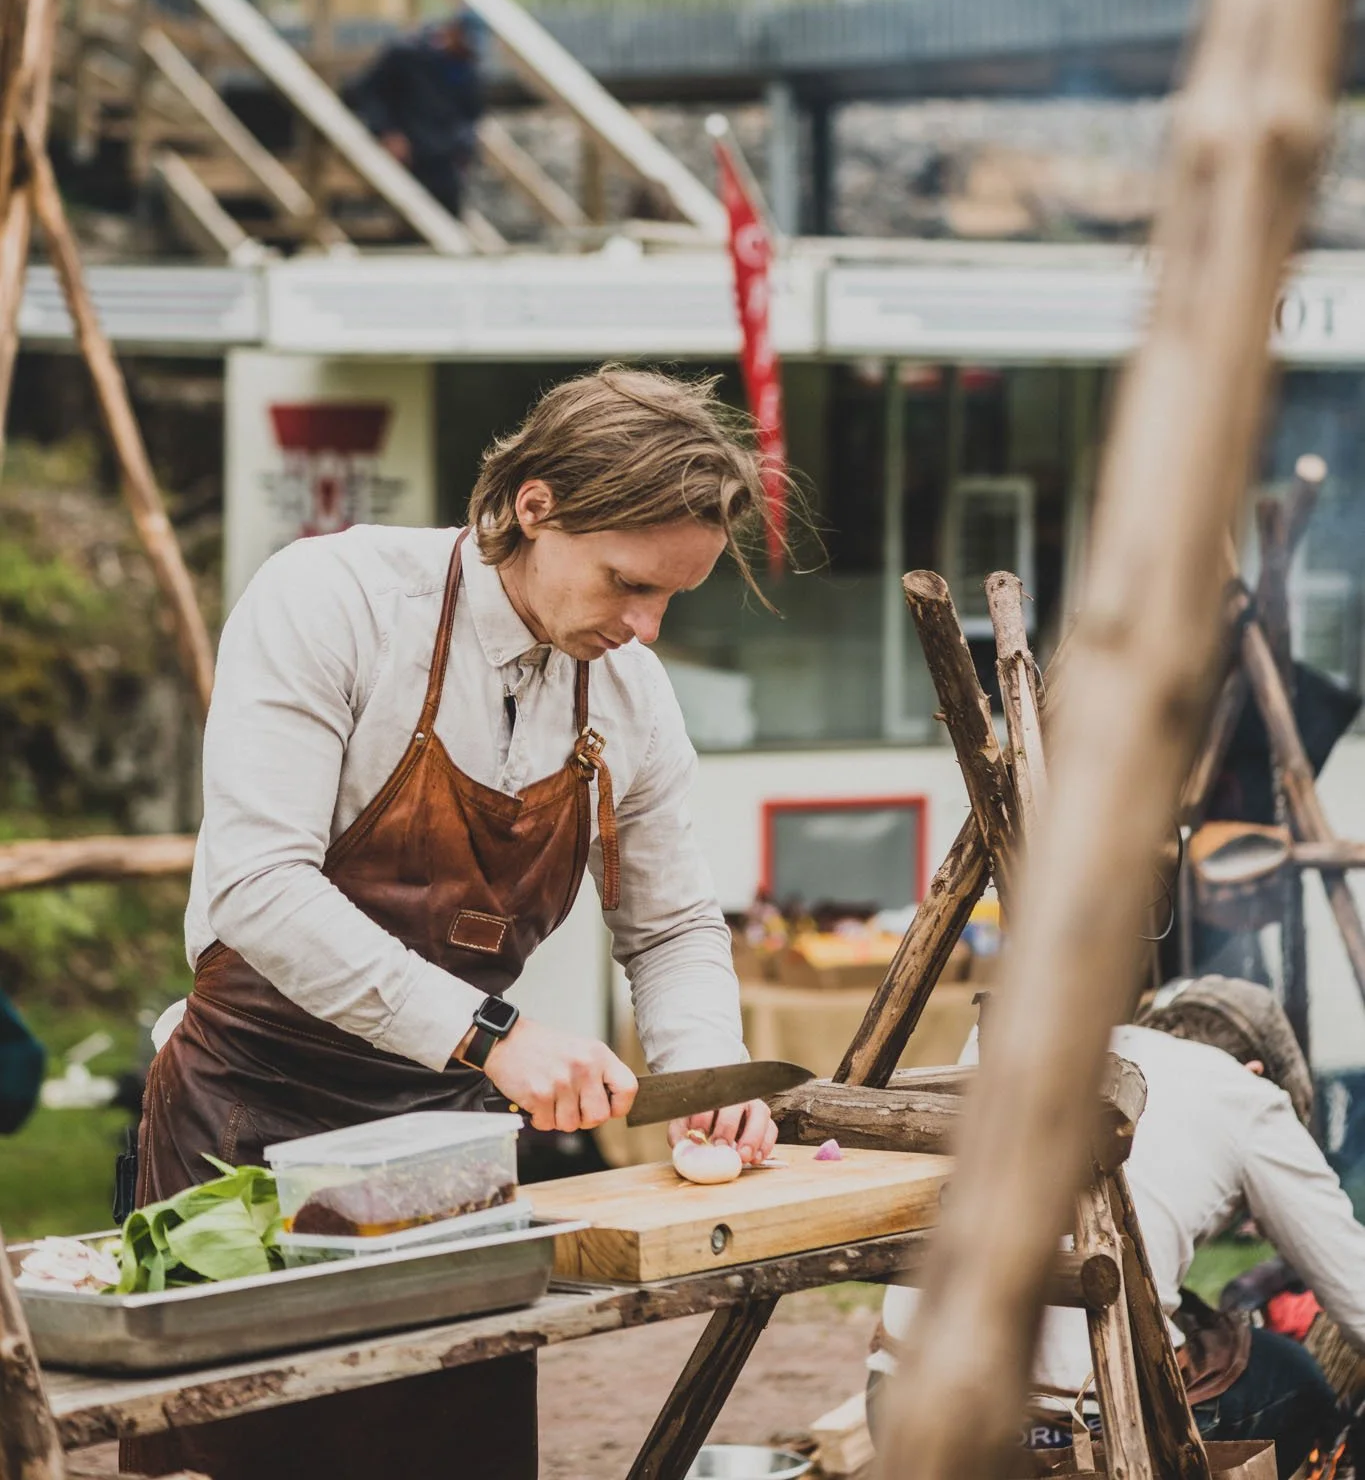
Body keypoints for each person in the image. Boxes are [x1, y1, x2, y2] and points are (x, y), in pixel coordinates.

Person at [136, 368, 780, 1204]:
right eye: (628, 583)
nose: (646, 629)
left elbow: (669, 928)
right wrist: (492, 1036)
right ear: (535, 507)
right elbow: (259, 888)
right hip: (242, 1118)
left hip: (449, 1134)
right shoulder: (336, 600)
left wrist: (705, 1069)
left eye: (672, 597)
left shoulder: (632, 694)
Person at [871, 977, 1365, 1479]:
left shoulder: (1042, 1039)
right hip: (1079, 1441)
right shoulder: (1247, 1095)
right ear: (1256, 1069)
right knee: (1295, 1381)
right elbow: (1359, 1300)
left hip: (897, 1405)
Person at [343, 12, 483, 217]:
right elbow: (365, 93)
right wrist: (386, 131)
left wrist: (464, 148)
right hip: (407, 156)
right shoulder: (406, 56)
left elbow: (471, 116)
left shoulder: (466, 71)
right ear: (453, 31)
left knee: (447, 215)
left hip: (444, 163)